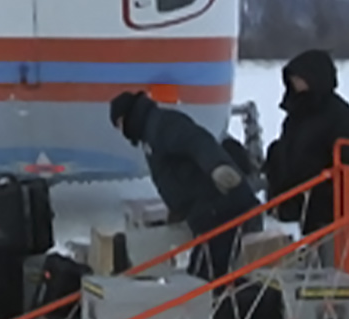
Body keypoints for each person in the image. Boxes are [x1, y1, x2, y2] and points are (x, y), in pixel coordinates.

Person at [108, 90, 262, 280]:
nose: (123, 132)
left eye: (120, 125)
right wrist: (178, 209)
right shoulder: (149, 135)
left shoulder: (162, 125)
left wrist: (216, 167)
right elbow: (173, 176)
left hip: (219, 207)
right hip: (204, 213)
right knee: (204, 273)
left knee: (204, 277)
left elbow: (197, 142)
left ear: (128, 117)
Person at [263, 49, 349, 234]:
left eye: (299, 78)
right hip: (290, 202)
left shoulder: (341, 117)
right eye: (293, 78)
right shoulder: (297, 111)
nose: (295, 82)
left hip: (320, 208)